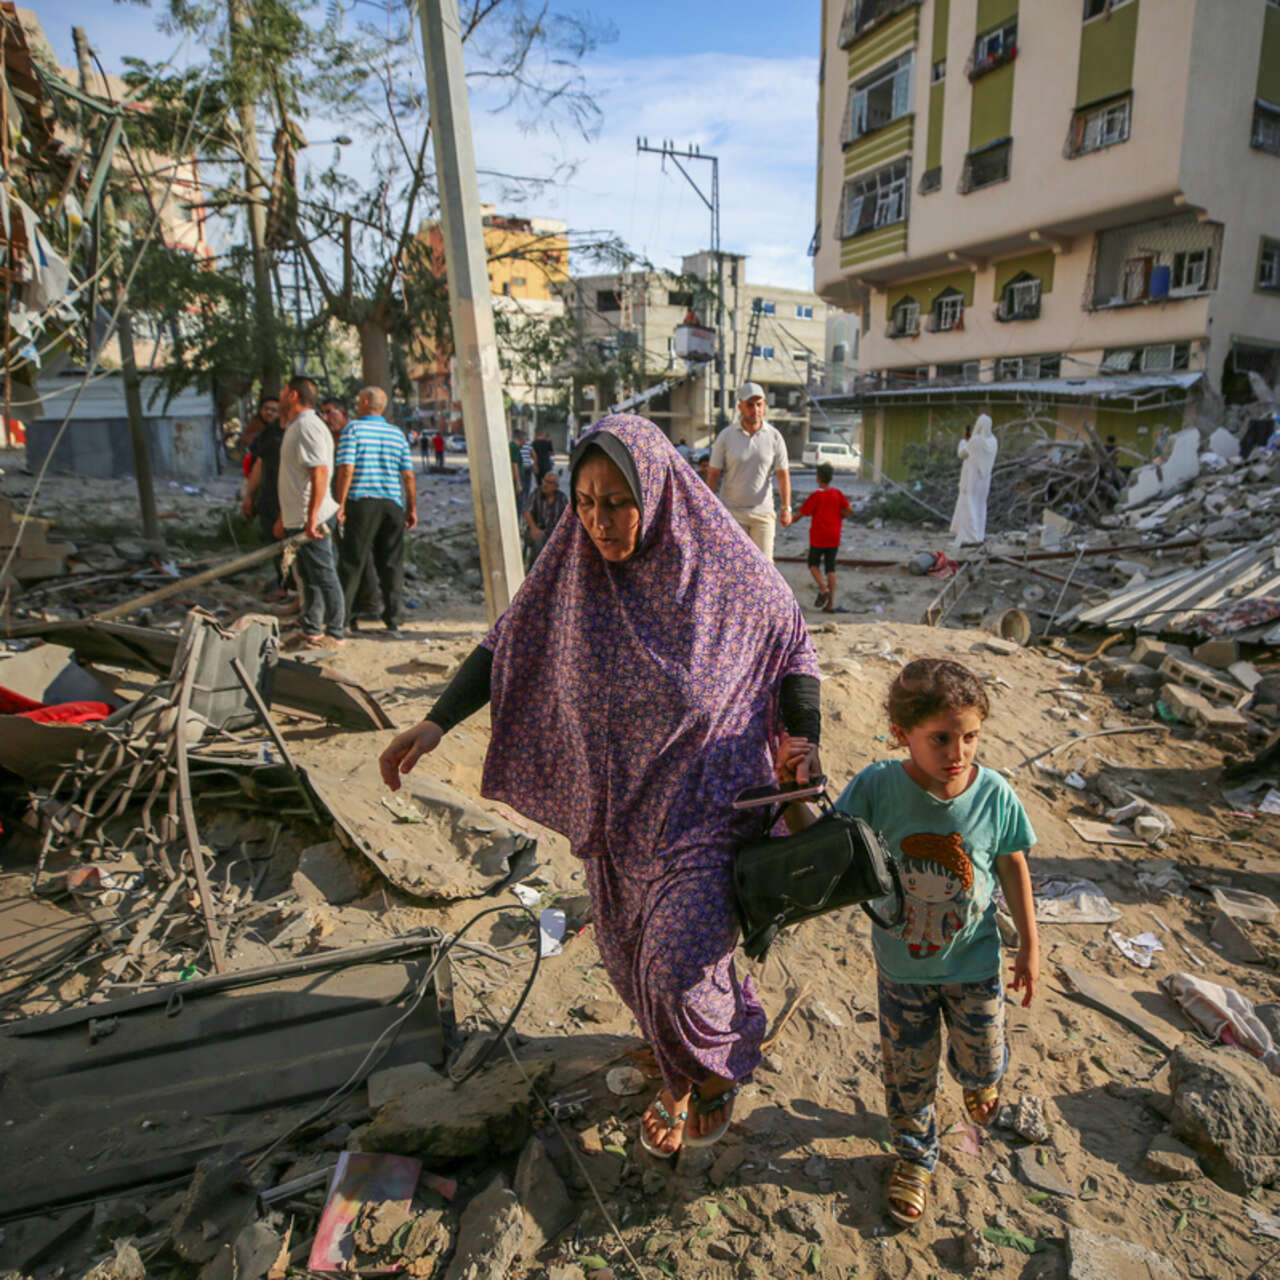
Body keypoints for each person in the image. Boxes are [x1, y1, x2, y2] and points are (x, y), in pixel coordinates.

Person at [377, 414, 821, 1156]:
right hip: (617, 818)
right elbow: (506, 644)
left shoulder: (726, 570)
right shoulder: (570, 570)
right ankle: (678, 1071)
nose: (599, 521)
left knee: (676, 973)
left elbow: (793, 643)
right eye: (583, 502)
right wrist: (436, 723)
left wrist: (800, 740)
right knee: (627, 963)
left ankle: (716, 1073)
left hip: (705, 813)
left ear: (656, 491)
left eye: (617, 502)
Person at [776, 659, 1037, 1227]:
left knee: (982, 1057)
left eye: (970, 737)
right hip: (902, 972)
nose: (958, 752)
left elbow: (1013, 864)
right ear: (903, 735)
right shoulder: (876, 786)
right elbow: (823, 847)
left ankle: (979, 1080)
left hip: (977, 967)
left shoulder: (993, 794)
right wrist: (792, 794)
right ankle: (916, 1157)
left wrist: (1029, 947)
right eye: (940, 738)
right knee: (908, 1075)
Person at [334, 387, 417, 637]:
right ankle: (393, 618)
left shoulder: (354, 430)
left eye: (359, 400)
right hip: (392, 504)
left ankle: (345, 618)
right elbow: (409, 475)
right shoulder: (396, 434)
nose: (357, 404)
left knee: (353, 561)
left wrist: (340, 503)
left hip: (363, 501)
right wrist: (411, 507)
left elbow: (346, 468)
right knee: (391, 563)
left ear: (367, 402)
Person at [275, 376, 345, 647]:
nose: (280, 395)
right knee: (308, 576)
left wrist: (312, 516)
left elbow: (320, 472)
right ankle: (312, 628)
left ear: (292, 395)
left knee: (324, 573)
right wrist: (286, 517)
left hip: (311, 517)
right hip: (301, 516)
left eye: (283, 390)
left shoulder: (308, 426)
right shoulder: (297, 425)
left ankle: (336, 632)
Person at [707, 381, 792, 559]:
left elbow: (782, 475)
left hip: (763, 514)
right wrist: (708, 507)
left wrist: (786, 507)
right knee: (734, 566)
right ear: (740, 407)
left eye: (759, 404)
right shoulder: (726, 437)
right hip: (732, 513)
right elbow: (714, 474)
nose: (755, 410)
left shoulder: (774, 437)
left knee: (764, 568)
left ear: (765, 407)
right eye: (750, 405)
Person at [795, 461, 852, 612]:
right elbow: (849, 509)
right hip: (834, 536)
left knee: (813, 564)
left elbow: (801, 513)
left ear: (818, 477)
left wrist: (788, 521)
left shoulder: (816, 495)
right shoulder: (837, 493)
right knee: (830, 568)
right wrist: (841, 517)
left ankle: (823, 588)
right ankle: (831, 604)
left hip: (818, 536)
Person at [949, 413, 997, 546]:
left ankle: (969, 537)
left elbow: (962, 454)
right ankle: (979, 535)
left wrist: (963, 441)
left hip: (972, 478)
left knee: (968, 505)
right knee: (980, 505)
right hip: (985, 479)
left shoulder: (975, 440)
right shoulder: (993, 441)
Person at [241, 394, 283, 544]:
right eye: (266, 409)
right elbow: (258, 462)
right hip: (264, 491)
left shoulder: (286, 431)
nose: (269, 413)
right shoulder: (261, 431)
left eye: (274, 410)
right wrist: (249, 495)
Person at [522, 468, 567, 565]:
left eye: (549, 483)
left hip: (553, 533)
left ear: (556, 486)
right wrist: (533, 528)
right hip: (535, 530)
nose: (545, 484)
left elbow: (568, 517)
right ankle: (535, 571)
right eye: (545, 481)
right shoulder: (536, 494)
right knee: (540, 540)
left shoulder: (561, 498)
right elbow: (526, 511)